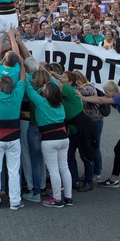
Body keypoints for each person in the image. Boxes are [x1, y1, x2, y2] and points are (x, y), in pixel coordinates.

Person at [0, 31, 27, 210]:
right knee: (13, 170)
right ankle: (15, 201)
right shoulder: (18, 94)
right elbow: (23, 76)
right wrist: (22, 63)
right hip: (14, 136)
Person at [26, 68, 73, 207]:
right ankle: (68, 197)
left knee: (53, 170)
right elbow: (54, 84)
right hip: (64, 138)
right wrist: (48, 75)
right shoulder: (60, 105)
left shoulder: (41, 103)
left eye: (45, 86)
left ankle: (57, 199)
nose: (43, 86)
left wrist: (27, 72)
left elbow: (29, 89)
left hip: (49, 139)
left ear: (47, 92)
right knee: (64, 167)